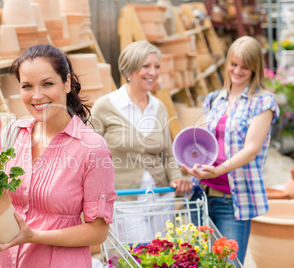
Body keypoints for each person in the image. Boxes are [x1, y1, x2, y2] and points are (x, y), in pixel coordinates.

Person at [0, 44, 117, 267]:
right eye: (27, 86)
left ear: (67, 83)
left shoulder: (91, 148)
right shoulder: (13, 134)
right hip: (4, 261)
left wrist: (33, 236)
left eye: (47, 84)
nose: (37, 95)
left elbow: (98, 232)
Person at [182, 36, 280, 264]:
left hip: (232, 201)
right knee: (199, 262)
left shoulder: (262, 102)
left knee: (229, 264)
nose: (237, 71)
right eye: (233, 64)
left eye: (245, 67)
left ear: (255, 68)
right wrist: (189, 163)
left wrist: (218, 171)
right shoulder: (214, 99)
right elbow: (205, 144)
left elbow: (251, 149)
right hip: (202, 195)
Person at [90, 40, 192, 243]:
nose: (153, 72)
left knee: (163, 257)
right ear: (129, 69)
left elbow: (168, 154)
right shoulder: (105, 106)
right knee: (138, 257)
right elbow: (90, 154)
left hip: (161, 197)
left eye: (156, 66)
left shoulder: (159, 107)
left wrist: (176, 178)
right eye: (146, 66)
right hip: (126, 200)